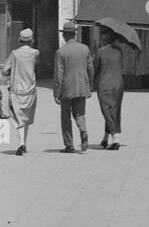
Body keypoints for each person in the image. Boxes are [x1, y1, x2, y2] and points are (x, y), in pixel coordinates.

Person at [54, 22, 94, 153]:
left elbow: (59, 74)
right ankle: (83, 130)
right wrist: (90, 85)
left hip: (67, 89)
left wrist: (57, 92)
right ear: (75, 34)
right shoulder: (85, 49)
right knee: (80, 114)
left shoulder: (61, 52)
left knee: (65, 117)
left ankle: (69, 145)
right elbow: (90, 68)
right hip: (82, 87)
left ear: (65, 35)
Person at [0, 28, 39, 155]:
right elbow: (36, 65)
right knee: (26, 117)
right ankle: (24, 143)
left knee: (17, 117)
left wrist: (11, 72)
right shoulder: (35, 53)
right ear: (32, 40)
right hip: (30, 89)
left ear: (20, 40)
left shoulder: (14, 53)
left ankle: (21, 142)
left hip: (16, 90)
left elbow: (5, 69)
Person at [94, 26, 126, 150]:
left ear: (106, 37)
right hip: (118, 83)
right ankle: (105, 137)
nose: (101, 36)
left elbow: (95, 68)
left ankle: (115, 138)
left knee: (107, 110)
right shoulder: (119, 50)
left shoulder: (100, 51)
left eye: (103, 34)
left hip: (105, 84)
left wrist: (91, 82)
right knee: (114, 110)